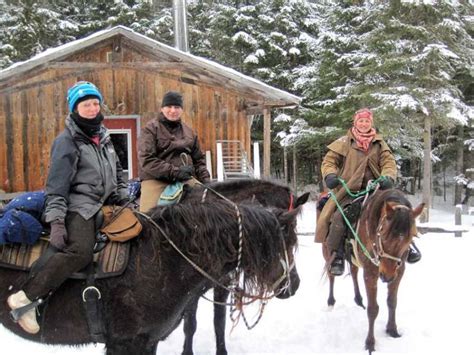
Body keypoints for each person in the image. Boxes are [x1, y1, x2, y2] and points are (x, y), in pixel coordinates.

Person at [7, 81, 129, 334]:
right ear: (75, 108)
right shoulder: (67, 141)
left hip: (105, 203)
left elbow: (117, 170)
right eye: (86, 104)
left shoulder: (103, 135)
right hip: (80, 206)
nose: (93, 108)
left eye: (96, 103)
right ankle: (26, 298)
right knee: (80, 252)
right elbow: (57, 186)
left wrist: (122, 194)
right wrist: (58, 222)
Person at [316, 108, 421, 276]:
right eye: (361, 121)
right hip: (349, 190)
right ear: (355, 122)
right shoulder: (343, 142)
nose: (364, 124)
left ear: (371, 123)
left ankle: (409, 245)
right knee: (338, 216)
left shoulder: (379, 144)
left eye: (367, 121)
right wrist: (330, 175)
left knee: (401, 210)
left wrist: (388, 176)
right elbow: (329, 161)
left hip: (376, 189)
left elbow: (389, 162)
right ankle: (338, 255)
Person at [138, 91, 210, 212]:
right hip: (156, 180)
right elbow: (147, 160)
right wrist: (175, 172)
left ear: (181, 110)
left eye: (177, 107)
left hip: (185, 179)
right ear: (162, 108)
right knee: (148, 217)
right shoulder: (150, 129)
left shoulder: (189, 132)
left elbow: (199, 160)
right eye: (169, 107)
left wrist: (207, 182)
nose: (173, 110)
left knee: (209, 207)